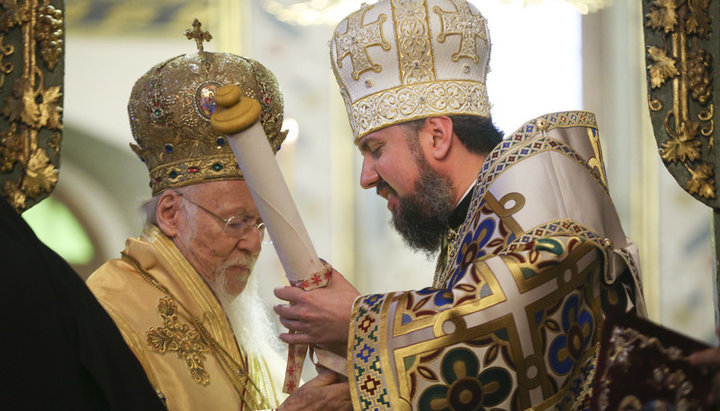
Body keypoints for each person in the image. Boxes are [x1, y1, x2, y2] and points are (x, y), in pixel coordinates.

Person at [273, 0, 646, 408]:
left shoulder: (545, 204)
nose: (366, 177)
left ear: (436, 136)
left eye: (376, 149)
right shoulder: (472, 221)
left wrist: (357, 323)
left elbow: (501, 325)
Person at [86, 20, 349, 411]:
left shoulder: (231, 313)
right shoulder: (112, 308)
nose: (254, 242)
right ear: (171, 214)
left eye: (260, 224)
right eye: (235, 222)